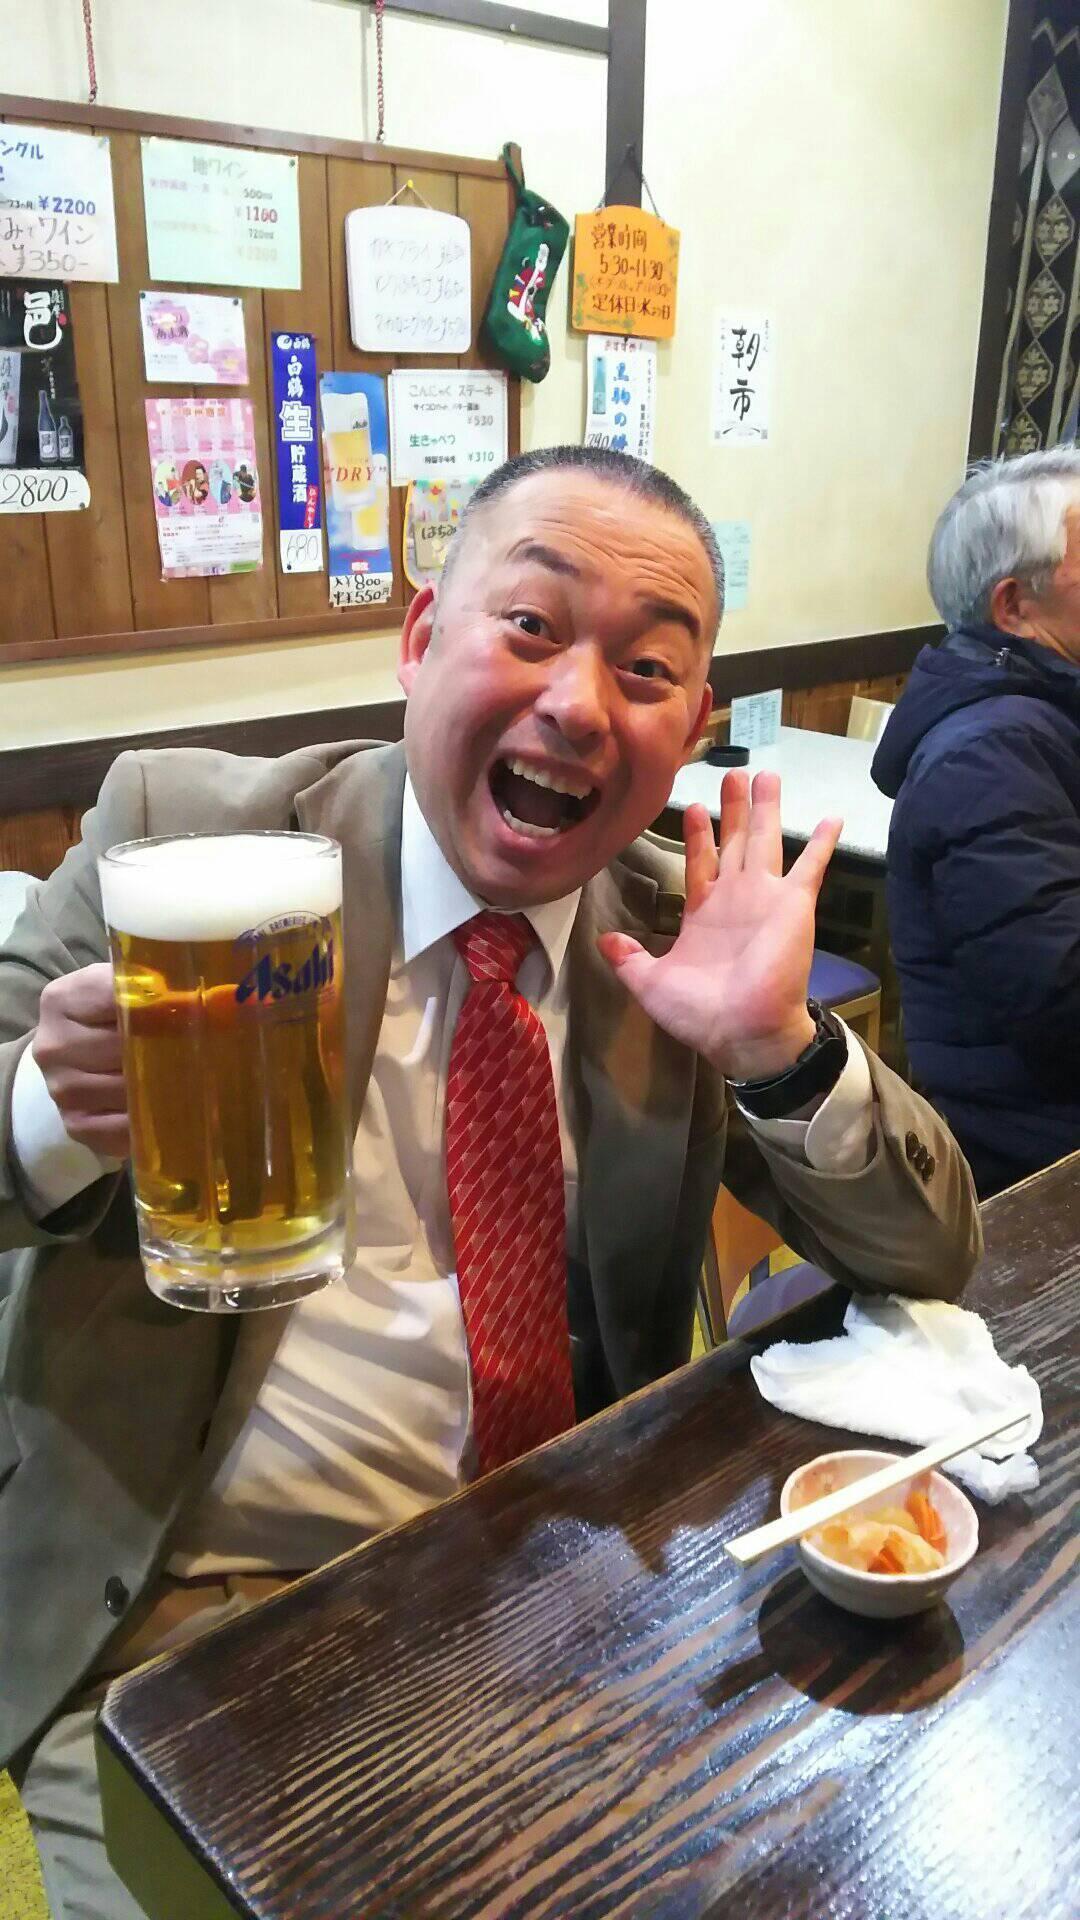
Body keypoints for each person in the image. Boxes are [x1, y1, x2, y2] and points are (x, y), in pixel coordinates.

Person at [0, 445, 980, 1918]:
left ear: (691, 723)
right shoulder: (179, 842)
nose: (578, 702)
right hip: (184, 1617)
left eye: (646, 669)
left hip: (559, 1579)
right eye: (530, 625)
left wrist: (778, 1052)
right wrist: (50, 1107)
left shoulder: (675, 934)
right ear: (418, 639)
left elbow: (934, 1252)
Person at [873, 444, 1080, 1197]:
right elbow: (1062, 1002)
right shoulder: (990, 751)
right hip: (1032, 1165)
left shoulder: (1042, 717)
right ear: (1014, 605)